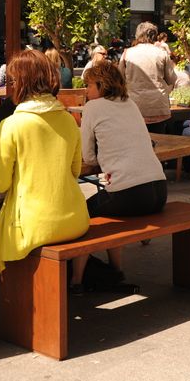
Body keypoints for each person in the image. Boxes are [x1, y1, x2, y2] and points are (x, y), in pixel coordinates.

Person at [0, 49, 90, 275]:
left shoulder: (13, 125)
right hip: (75, 218)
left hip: (32, 226)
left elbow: (0, 184)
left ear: (21, 83)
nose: (10, 86)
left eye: (12, 80)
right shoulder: (68, 119)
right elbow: (74, 171)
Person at [72, 60, 168, 291]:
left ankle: (76, 281)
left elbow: (88, 156)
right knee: (107, 204)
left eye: (88, 85)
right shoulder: (130, 103)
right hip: (159, 192)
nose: (86, 91)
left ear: (100, 85)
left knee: (83, 215)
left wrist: (104, 158)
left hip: (131, 194)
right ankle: (115, 270)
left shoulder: (93, 108)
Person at [119, 22, 177, 134]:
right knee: (158, 141)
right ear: (154, 35)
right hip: (158, 106)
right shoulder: (162, 53)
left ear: (138, 35)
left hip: (134, 105)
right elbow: (172, 79)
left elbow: (119, 78)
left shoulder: (128, 53)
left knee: (136, 142)